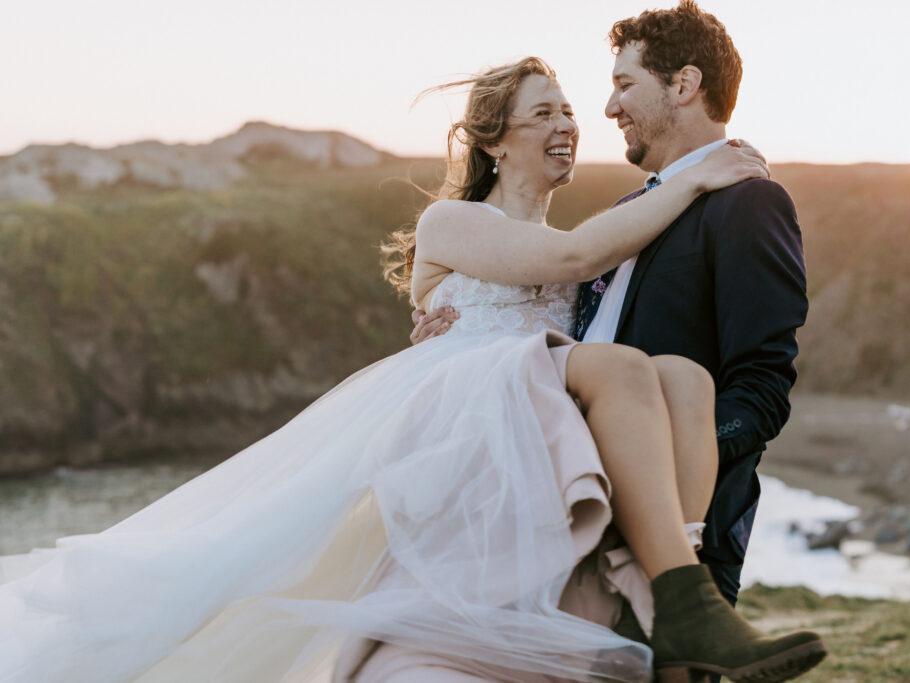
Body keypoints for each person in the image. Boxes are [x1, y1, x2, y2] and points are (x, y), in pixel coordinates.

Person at [0, 59, 821, 683]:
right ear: (496, 138)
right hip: (472, 415)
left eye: (573, 108)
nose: (571, 120)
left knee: (681, 374)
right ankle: (684, 606)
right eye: (545, 112)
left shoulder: (580, 244)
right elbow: (570, 257)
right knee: (625, 371)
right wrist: (697, 174)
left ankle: (673, 616)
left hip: (530, 421)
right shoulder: (454, 219)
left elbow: (574, 275)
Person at [412, 4, 809, 656]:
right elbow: (556, 298)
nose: (601, 111)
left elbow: (761, 386)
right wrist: (448, 345)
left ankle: (685, 596)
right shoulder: (620, 222)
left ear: (682, 85)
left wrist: (658, 458)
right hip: (549, 493)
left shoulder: (748, 200)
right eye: (547, 111)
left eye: (624, 85)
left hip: (665, 508)